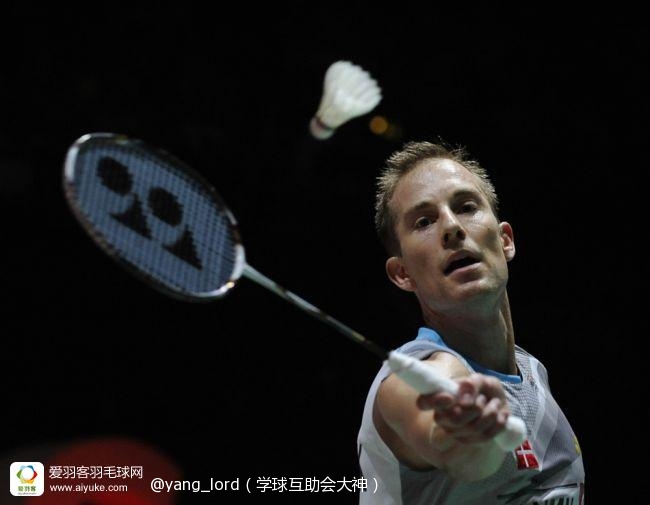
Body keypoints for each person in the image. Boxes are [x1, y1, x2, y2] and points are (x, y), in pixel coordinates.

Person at [357, 141, 585, 504]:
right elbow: (434, 424)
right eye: (424, 221)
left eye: (466, 207)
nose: (451, 227)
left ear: (505, 240)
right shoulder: (411, 378)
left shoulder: (532, 372)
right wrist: (461, 436)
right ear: (402, 273)